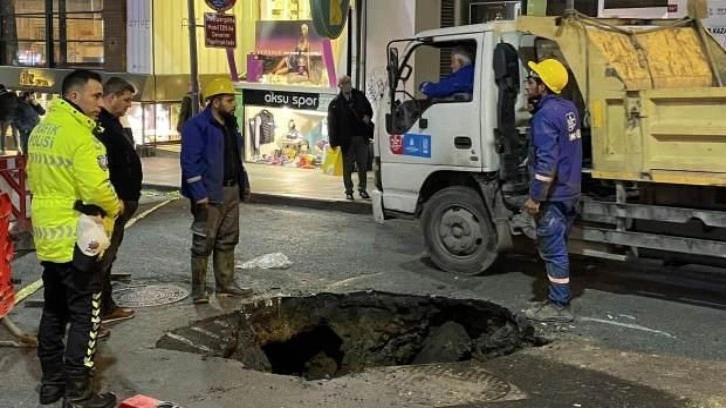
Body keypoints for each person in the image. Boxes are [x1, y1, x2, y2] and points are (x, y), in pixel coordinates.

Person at [27, 69, 121, 407]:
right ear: (75, 96)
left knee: (53, 310)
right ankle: (79, 395)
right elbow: (95, 187)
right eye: (96, 96)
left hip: (49, 238)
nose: (100, 103)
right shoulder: (81, 137)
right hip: (77, 240)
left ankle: (51, 385)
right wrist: (116, 205)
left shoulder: (41, 131)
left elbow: (32, 179)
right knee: (86, 313)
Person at [180, 77, 252, 304]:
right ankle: (198, 289)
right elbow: (189, 161)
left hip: (230, 189)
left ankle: (226, 284)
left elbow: (235, 159)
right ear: (215, 102)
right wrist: (199, 192)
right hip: (209, 193)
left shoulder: (230, 124)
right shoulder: (197, 126)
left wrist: (244, 182)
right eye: (229, 100)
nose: (233, 104)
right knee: (204, 241)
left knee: (228, 239)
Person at [522, 59, 583, 323]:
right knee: (560, 245)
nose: (527, 85)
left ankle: (559, 305)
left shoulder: (544, 116)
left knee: (553, 249)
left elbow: (547, 162)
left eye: (531, 80)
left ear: (543, 86)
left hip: (554, 195)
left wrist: (536, 197)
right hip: (570, 189)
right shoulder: (568, 108)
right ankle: (558, 299)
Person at [97, 77, 143, 330]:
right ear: (111, 97)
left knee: (107, 259)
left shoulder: (112, 123)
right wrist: (116, 204)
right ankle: (98, 313)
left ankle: (106, 306)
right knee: (101, 261)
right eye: (126, 100)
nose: (129, 105)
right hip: (112, 206)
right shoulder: (100, 126)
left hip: (121, 203)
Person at [328, 76, 374, 201]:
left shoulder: (359, 96)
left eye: (349, 83)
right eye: (345, 83)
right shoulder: (335, 104)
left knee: (362, 165)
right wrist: (333, 141)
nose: (348, 85)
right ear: (340, 86)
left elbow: (369, 110)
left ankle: (362, 189)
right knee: (347, 166)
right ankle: (349, 190)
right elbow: (332, 124)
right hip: (346, 139)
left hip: (361, 136)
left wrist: (367, 117)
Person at [14, 91, 46, 155]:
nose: (33, 96)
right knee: (27, 151)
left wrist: (35, 103)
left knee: (35, 150)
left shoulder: (33, 104)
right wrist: (25, 128)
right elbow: (16, 120)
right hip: (27, 132)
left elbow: (42, 112)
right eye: (31, 95)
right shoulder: (19, 105)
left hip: (36, 131)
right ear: (27, 97)